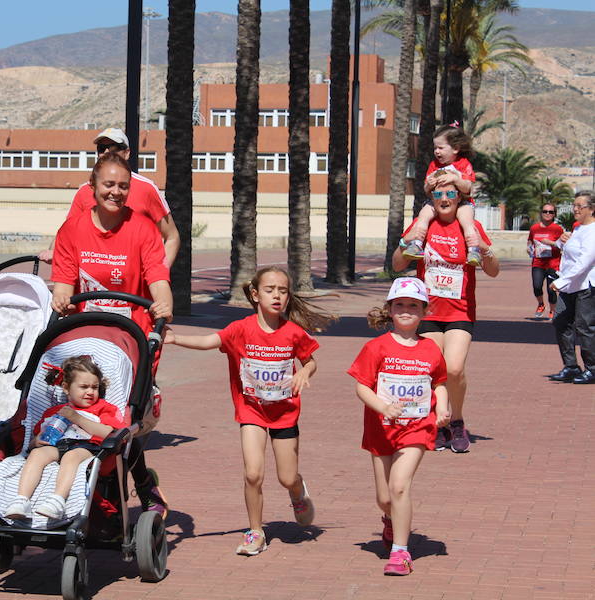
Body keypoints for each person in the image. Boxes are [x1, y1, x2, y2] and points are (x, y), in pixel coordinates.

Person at [164, 266, 334, 556]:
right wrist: (176, 339)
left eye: (282, 290)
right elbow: (210, 342)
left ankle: (297, 490)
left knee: (286, 477)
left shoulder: (293, 332)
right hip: (251, 412)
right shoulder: (240, 329)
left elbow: (311, 360)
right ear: (255, 295)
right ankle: (256, 532)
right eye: (270, 290)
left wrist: (305, 371)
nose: (277, 296)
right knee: (253, 475)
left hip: (284, 414)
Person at [51, 151, 173, 515]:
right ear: (93, 187)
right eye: (108, 184)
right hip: (85, 337)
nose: (115, 192)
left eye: (123, 186)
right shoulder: (73, 230)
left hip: (131, 339)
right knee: (73, 406)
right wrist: (60, 294)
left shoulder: (142, 228)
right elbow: (62, 281)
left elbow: (158, 276)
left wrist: (163, 302)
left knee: (125, 420)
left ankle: (131, 490)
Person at [347, 277, 450, 576]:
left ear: (423, 311)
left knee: (399, 486)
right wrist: (383, 407)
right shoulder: (375, 348)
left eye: (413, 306)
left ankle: (400, 552)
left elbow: (439, 383)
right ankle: (391, 521)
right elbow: (362, 387)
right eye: (400, 305)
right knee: (384, 498)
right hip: (381, 429)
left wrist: (442, 406)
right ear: (390, 309)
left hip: (417, 428)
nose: (406, 310)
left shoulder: (430, 349)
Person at [393, 180, 499, 453]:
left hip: (460, 310)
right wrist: (408, 240)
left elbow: (494, 270)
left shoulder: (470, 226)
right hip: (427, 312)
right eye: (437, 193)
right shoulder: (423, 225)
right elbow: (397, 264)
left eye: (450, 193)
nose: (444, 198)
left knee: (453, 368)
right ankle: (439, 423)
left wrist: (484, 249)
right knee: (433, 370)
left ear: (459, 197)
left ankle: (457, 419)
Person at [4, 356, 125, 519]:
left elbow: (109, 433)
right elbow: (39, 435)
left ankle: (57, 500)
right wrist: (35, 442)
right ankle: (21, 500)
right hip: (57, 446)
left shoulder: (104, 408)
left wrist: (78, 418)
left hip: (89, 448)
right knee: (37, 454)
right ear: (66, 388)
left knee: (72, 456)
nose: (90, 392)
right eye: (83, 387)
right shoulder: (56, 411)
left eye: (95, 387)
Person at [40, 127, 180, 268]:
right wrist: (53, 251)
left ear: (127, 153)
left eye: (113, 148)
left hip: (132, 287)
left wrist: (158, 275)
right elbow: (66, 233)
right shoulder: (84, 191)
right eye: (102, 148)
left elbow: (172, 237)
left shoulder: (147, 189)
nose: (106, 152)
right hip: (94, 287)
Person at [401, 123, 483, 266]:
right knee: (423, 216)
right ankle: (416, 244)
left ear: (456, 149)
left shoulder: (463, 164)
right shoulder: (434, 165)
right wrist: (430, 184)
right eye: (435, 148)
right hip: (437, 200)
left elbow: (468, 188)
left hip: (462, 202)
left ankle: (473, 250)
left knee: (467, 222)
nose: (437, 152)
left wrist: (456, 179)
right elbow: (426, 189)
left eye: (441, 148)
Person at [546, 191, 595, 384]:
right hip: (570, 286)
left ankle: (592, 368)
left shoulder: (593, 231)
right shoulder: (578, 228)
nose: (575, 209)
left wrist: (560, 282)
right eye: (574, 205)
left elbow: (585, 261)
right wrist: (562, 241)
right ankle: (571, 366)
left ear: (591, 209)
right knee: (560, 322)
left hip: (586, 286)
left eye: (580, 206)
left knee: (584, 327)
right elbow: (568, 252)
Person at [527, 204, 564, 320]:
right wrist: (529, 248)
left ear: (554, 214)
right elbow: (530, 242)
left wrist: (550, 243)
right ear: (541, 213)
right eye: (545, 211)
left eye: (551, 212)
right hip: (538, 263)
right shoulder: (534, 228)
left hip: (553, 263)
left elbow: (563, 246)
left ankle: (552, 310)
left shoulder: (557, 229)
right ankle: (541, 304)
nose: (548, 214)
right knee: (537, 286)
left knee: (551, 289)